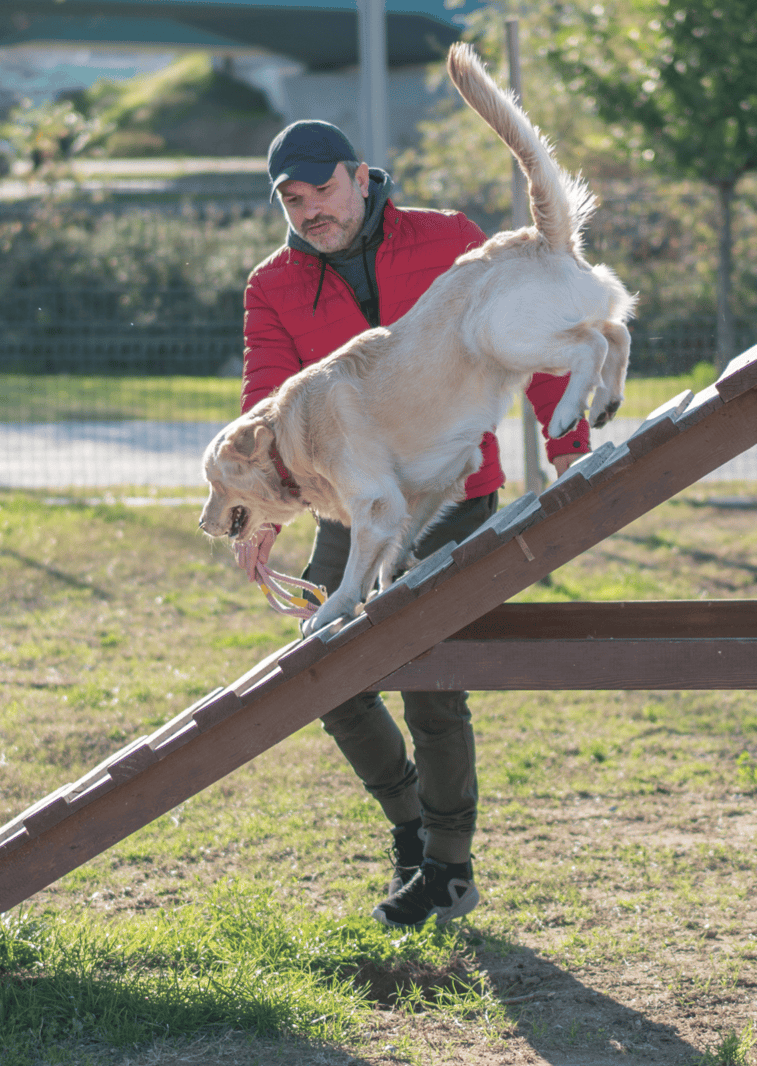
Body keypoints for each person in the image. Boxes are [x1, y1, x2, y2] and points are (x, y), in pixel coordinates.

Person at [235, 119, 589, 928]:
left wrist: (569, 446)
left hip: (454, 494)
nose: (309, 208)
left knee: (430, 677)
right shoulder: (273, 285)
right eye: (292, 198)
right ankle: (412, 831)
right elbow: (265, 404)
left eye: (322, 188)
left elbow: (525, 336)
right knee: (325, 673)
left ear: (362, 177)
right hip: (350, 502)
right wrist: (261, 510)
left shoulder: (448, 240)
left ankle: (450, 869)